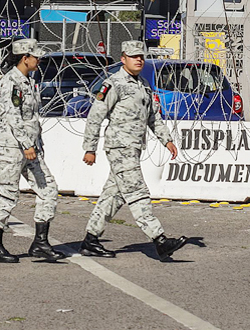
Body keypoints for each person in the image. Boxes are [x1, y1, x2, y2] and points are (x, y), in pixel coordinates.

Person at [80, 40, 188, 261]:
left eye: (141, 56)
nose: (139, 59)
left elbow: (153, 117)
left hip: (134, 147)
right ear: (123, 59)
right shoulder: (113, 84)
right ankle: (159, 239)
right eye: (133, 56)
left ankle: (90, 240)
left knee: (114, 195)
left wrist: (166, 140)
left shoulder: (144, 85)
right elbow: (95, 116)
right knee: (138, 193)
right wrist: (90, 148)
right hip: (119, 147)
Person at [0, 39, 66, 263]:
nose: (38, 60)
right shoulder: (11, 82)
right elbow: (11, 116)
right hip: (12, 147)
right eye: (36, 56)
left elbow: (31, 119)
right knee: (7, 194)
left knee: (48, 189)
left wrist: (35, 145)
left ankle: (40, 243)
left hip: (29, 149)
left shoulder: (29, 82)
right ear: (25, 58)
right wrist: (26, 143)